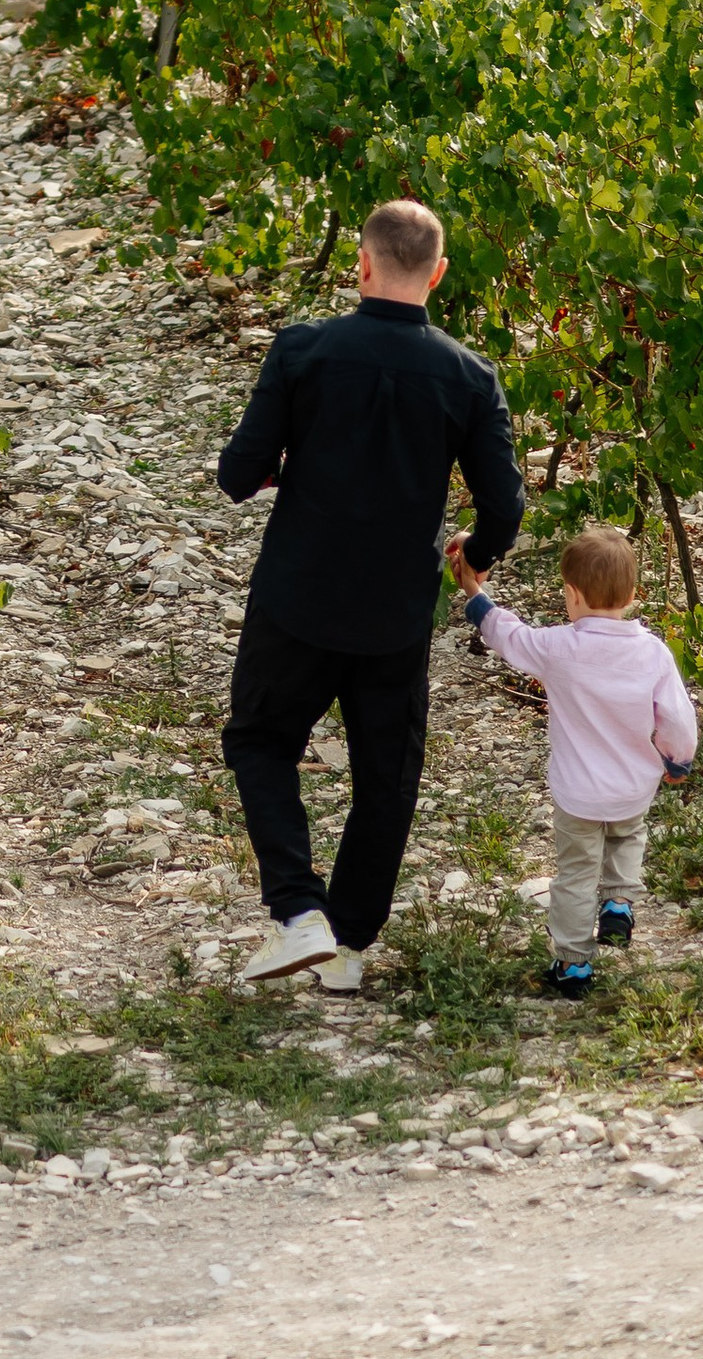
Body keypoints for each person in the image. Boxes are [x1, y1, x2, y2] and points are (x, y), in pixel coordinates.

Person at [217, 197, 523, 992]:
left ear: (361, 264)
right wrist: (475, 554)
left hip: (297, 596)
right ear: (439, 274)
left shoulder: (303, 351)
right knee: (385, 779)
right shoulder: (469, 377)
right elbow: (505, 505)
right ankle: (348, 945)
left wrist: (289, 465)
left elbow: (235, 476)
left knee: (260, 741)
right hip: (394, 612)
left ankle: (298, 911)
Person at [448, 525, 697, 996]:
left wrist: (475, 591)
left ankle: (574, 965)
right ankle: (620, 901)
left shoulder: (559, 648)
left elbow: (509, 635)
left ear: (572, 594)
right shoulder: (653, 654)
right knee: (627, 839)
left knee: (576, 876)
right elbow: (679, 719)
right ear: (632, 595)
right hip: (631, 789)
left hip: (579, 794)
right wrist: (677, 762)